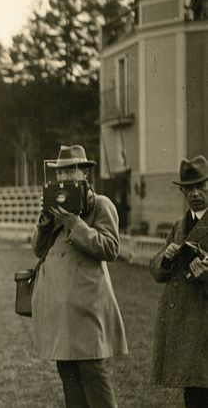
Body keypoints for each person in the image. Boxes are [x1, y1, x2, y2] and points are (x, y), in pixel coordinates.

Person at [32, 145, 128, 408]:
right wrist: (45, 221)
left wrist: (76, 225)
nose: (64, 177)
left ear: (84, 173)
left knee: (93, 372)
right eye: (60, 172)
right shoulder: (54, 203)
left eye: (71, 170)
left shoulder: (100, 205)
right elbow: (38, 249)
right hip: (58, 304)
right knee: (67, 372)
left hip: (86, 303)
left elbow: (110, 248)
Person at [149, 155, 208, 408]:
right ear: (182, 191)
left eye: (201, 186)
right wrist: (166, 257)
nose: (195, 193)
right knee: (193, 393)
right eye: (189, 188)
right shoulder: (178, 226)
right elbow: (156, 271)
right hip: (185, 325)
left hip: (204, 323)